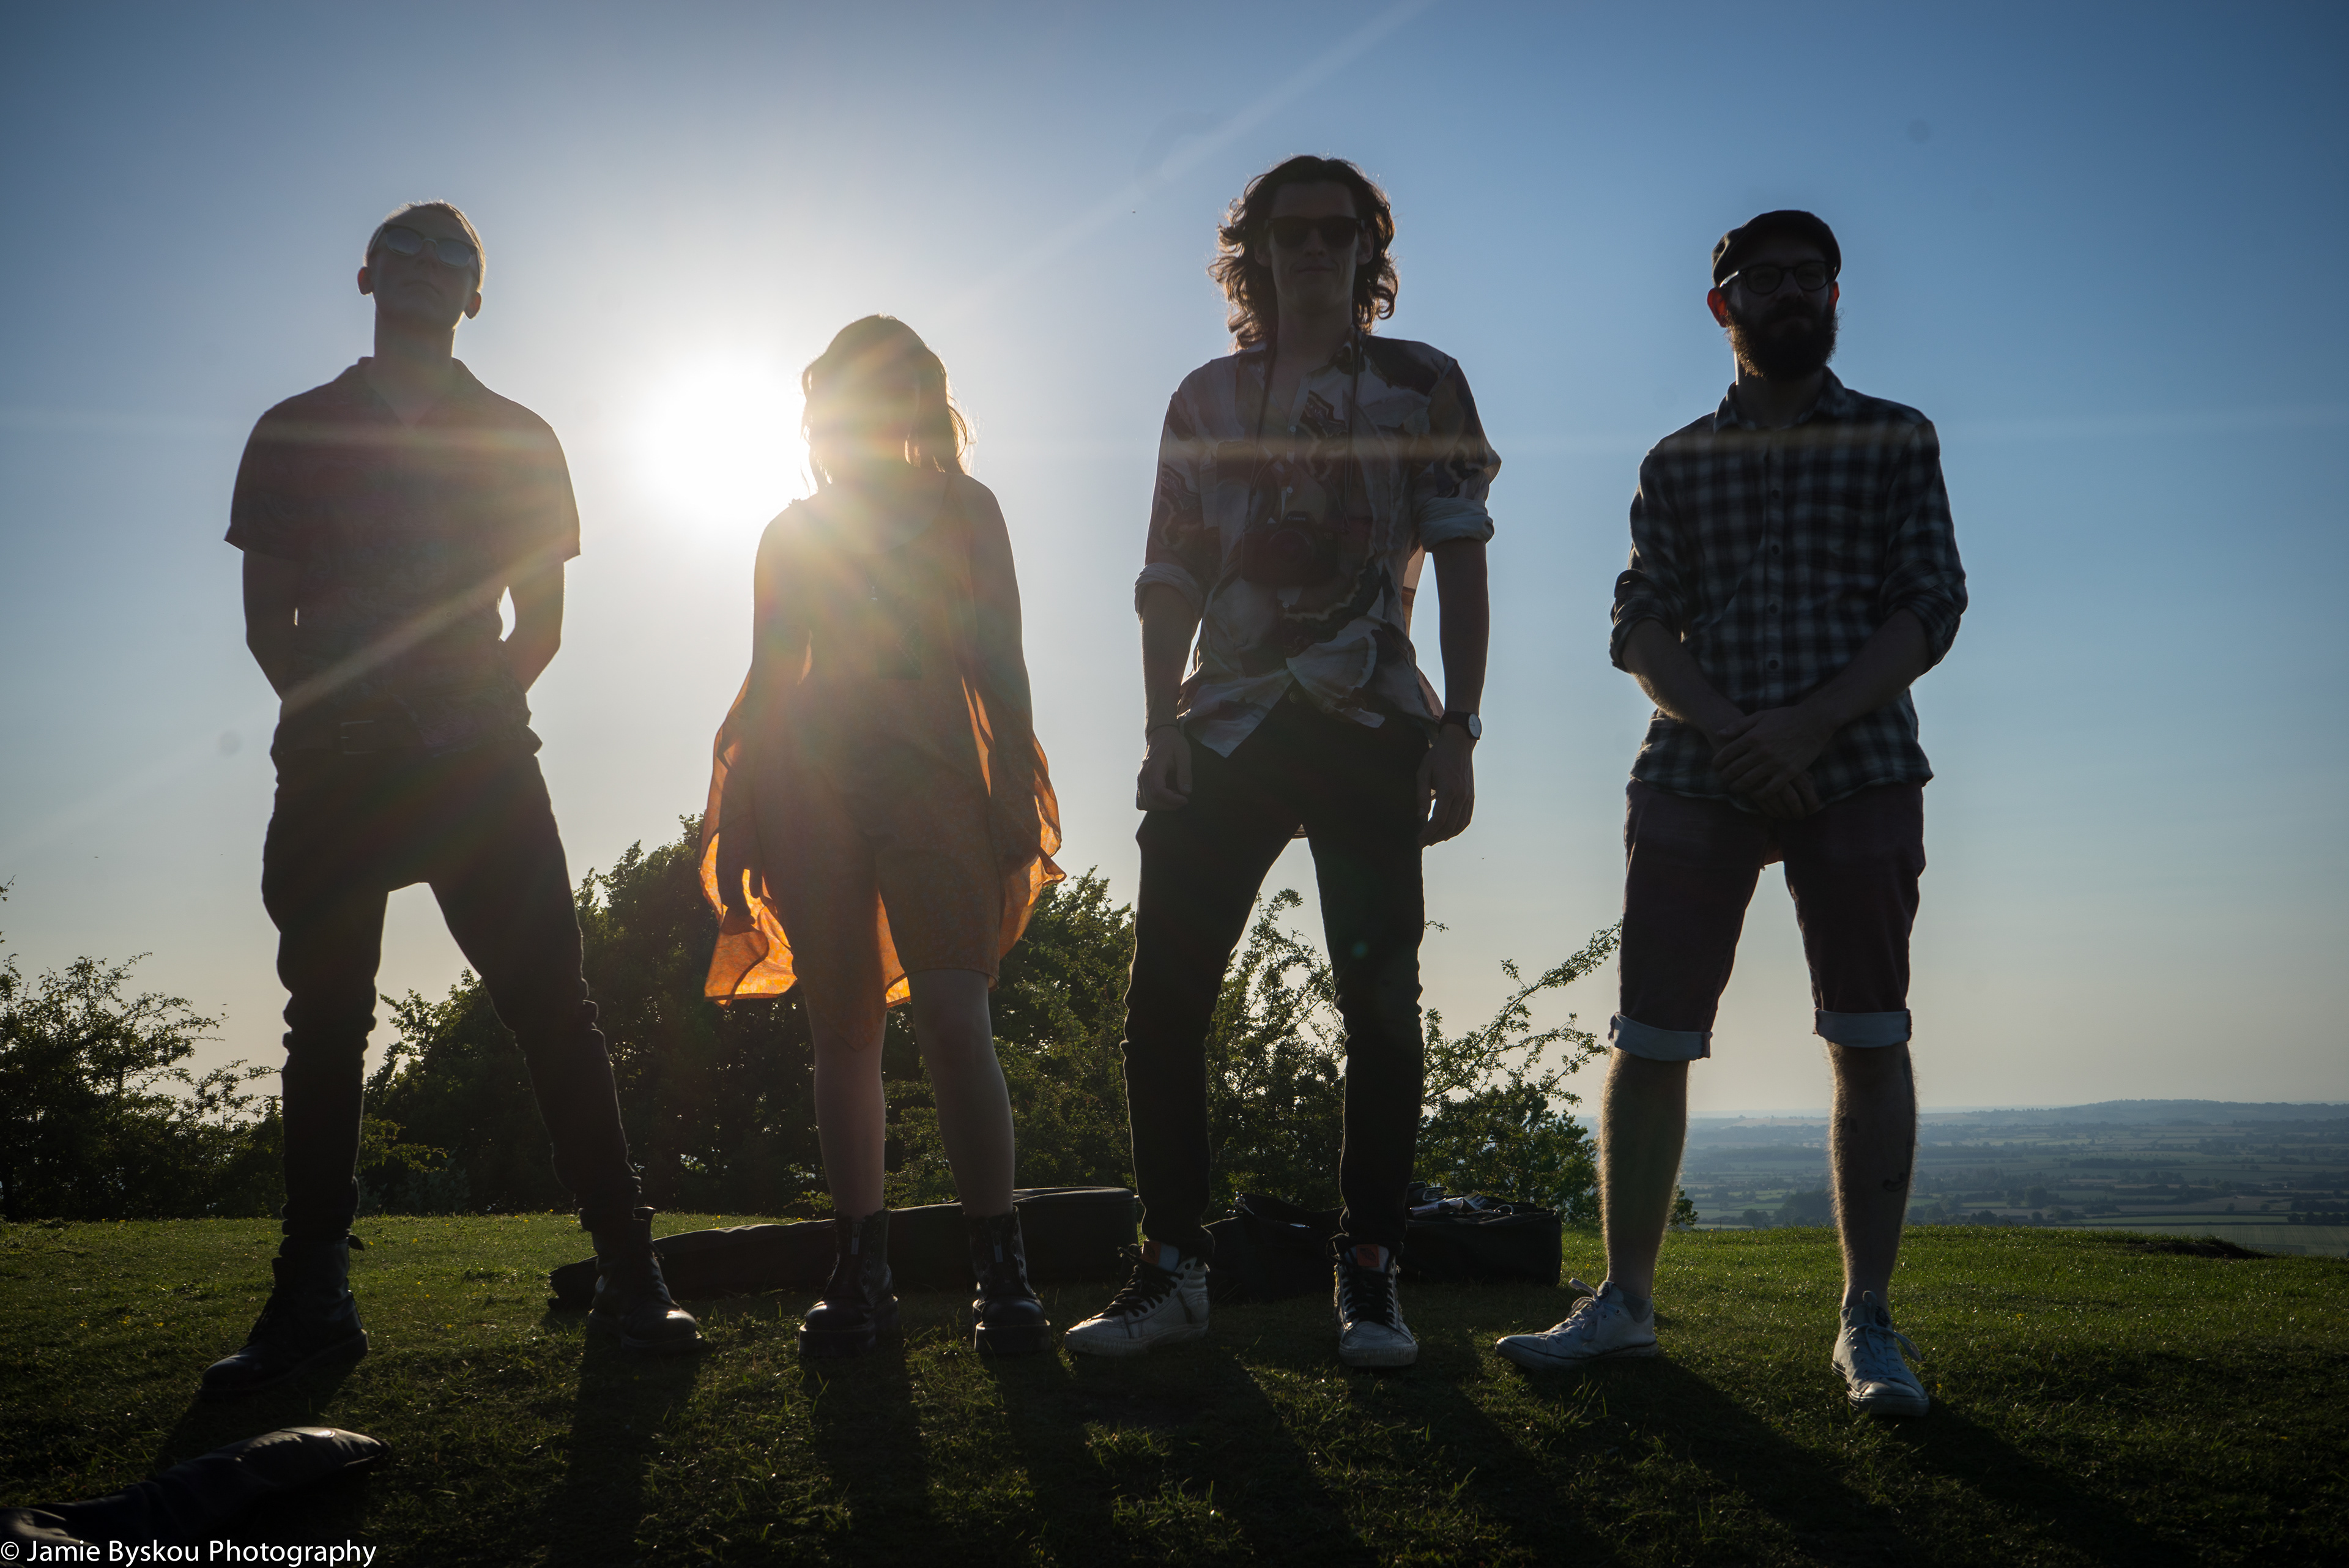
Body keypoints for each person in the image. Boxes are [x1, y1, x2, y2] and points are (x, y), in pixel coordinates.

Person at [209, 201, 700, 1400]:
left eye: (456, 258)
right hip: (334, 769)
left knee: (556, 1011)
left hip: (480, 765)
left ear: (475, 295)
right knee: (325, 1027)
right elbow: (267, 619)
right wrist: (339, 720)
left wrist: (462, 718)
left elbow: (542, 623)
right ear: (368, 272)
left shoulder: (520, 437)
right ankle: (312, 1293)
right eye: (412, 251)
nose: (432, 269)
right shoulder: (296, 428)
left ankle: (632, 1274)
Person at [1492, 211, 1968, 1418]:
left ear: (1837, 297)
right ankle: (1625, 1306)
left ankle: (1868, 1323)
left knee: (1869, 1031)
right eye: (1769, 279)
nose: (1796, 293)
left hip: (1858, 768)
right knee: (1650, 1040)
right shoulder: (1675, 461)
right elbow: (1640, 620)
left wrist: (1804, 726)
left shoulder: (1895, 438)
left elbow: (1931, 603)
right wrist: (1730, 730)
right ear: (1724, 305)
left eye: (1815, 276)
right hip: (1695, 774)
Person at [1063, 155, 1497, 1369]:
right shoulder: (1205, 398)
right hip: (1230, 722)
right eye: (1289, 234)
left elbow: (1463, 554)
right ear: (1253, 254)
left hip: (1370, 719)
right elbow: (1167, 575)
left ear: (1369, 249)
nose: (1313, 251)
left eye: (1335, 231)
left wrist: (1459, 726)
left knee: (1381, 1009)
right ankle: (1174, 1270)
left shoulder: (1422, 386)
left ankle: (1369, 1276)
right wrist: (1159, 728)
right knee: (1165, 1004)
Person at [700, 316, 1064, 1358]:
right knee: (842, 1030)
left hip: (940, 783)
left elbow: (1003, 661)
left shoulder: (968, 510)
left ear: (918, 399)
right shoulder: (789, 532)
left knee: (956, 1015)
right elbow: (772, 683)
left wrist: (1010, 788)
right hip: (813, 789)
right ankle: (861, 1274)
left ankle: (1003, 1271)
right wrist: (745, 819)